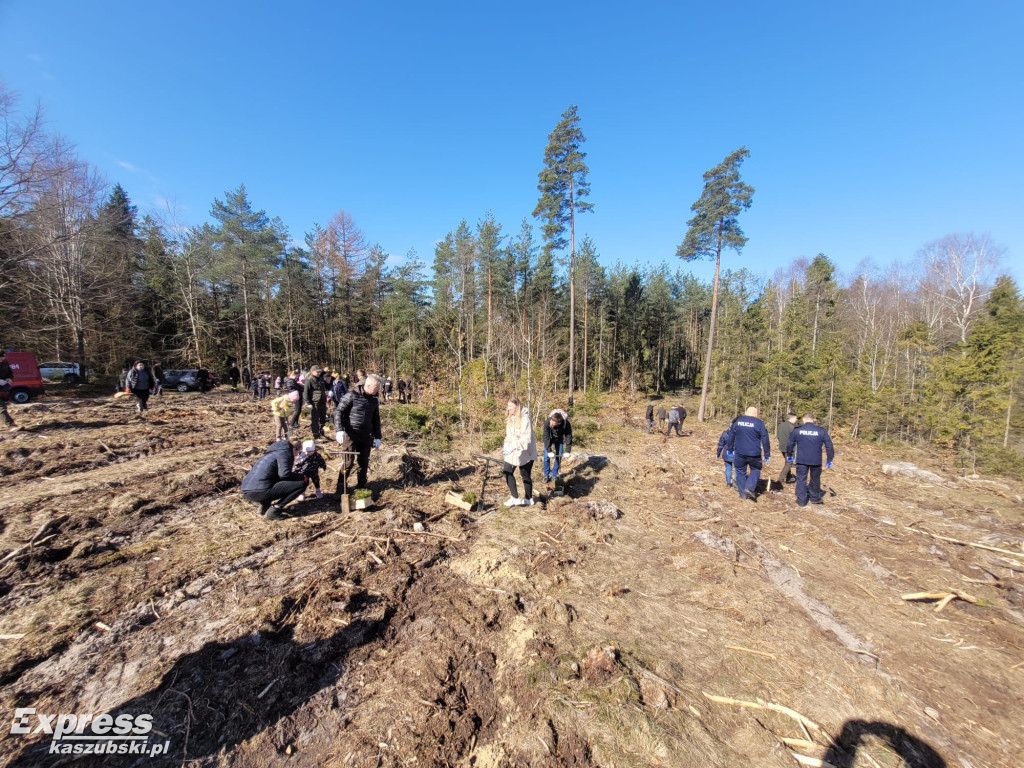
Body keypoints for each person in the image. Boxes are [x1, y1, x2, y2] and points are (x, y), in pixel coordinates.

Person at [334, 373, 382, 490]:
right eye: (376, 388)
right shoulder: (351, 395)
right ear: (368, 385)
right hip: (350, 434)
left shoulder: (374, 401)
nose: (378, 390)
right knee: (348, 462)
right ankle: (341, 488)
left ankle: (361, 487)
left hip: (366, 436)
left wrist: (378, 437)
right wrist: (339, 430)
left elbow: (376, 419)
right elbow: (338, 411)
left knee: (363, 463)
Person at [240, 439, 307, 520]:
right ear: (295, 448)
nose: (296, 455)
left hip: (247, 490)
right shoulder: (285, 453)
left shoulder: (272, 453)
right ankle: (275, 510)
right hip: (260, 491)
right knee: (302, 483)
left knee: (271, 480)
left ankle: (264, 507)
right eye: (298, 452)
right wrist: (302, 477)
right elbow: (284, 474)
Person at [785, 414, 835, 507]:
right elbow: (829, 445)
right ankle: (814, 498)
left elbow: (790, 443)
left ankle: (801, 500)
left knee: (801, 479)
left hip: (801, 460)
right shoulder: (821, 431)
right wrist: (829, 459)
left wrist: (789, 454)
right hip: (815, 460)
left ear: (804, 420)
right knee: (815, 479)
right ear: (813, 420)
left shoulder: (797, 430)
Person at [729, 406, 771, 502]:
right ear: (756, 414)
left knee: (740, 471)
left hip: (740, 452)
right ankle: (750, 487)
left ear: (745, 412)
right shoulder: (759, 423)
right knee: (755, 469)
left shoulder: (738, 421)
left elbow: (731, 434)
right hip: (754, 453)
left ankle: (742, 494)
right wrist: (767, 454)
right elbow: (765, 439)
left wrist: (729, 448)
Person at [501, 396, 538, 506]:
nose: (508, 408)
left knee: (525, 474)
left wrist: (513, 446)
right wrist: (506, 447)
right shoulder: (510, 418)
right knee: (507, 471)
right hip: (513, 450)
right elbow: (508, 436)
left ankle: (528, 498)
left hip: (526, 451)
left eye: (511, 406)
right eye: (508, 406)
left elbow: (526, 438)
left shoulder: (524, 418)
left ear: (517, 406)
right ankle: (514, 497)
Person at [542, 408, 573, 483]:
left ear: (559, 423)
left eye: (554, 423)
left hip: (559, 439)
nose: (552, 424)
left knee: (558, 456)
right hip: (549, 438)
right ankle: (546, 475)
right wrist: (549, 451)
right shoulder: (547, 422)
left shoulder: (566, 423)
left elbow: (568, 436)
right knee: (546, 457)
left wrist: (568, 451)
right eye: (552, 422)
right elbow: (545, 437)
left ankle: (554, 475)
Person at [773, 412, 798, 491]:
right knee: (788, 463)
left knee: (787, 462)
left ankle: (789, 477)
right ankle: (780, 480)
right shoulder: (792, 427)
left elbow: (778, 435)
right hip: (789, 448)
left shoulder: (781, 425)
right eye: (796, 418)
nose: (796, 420)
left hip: (782, 447)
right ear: (792, 418)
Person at [304, 365, 328, 439]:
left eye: (319, 371)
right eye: (317, 372)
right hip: (315, 403)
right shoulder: (309, 379)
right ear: (312, 371)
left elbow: (324, 388)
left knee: (323, 418)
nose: (319, 373)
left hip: (322, 402)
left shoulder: (321, 379)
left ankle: (321, 431)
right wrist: (308, 402)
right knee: (315, 419)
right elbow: (306, 392)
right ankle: (316, 434)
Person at [716, 422, 736, 487]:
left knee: (728, 468)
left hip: (727, 454)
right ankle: (736, 483)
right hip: (737, 454)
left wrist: (718, 453)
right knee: (737, 469)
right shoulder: (740, 435)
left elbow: (721, 444)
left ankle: (728, 483)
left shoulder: (725, 433)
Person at [0, 349, 16, 430]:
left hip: (2, 387)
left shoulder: (5, 363)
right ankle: (10, 425)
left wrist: (9, 379)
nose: (1, 359)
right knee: (1, 406)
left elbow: (10, 373)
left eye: (2, 357)